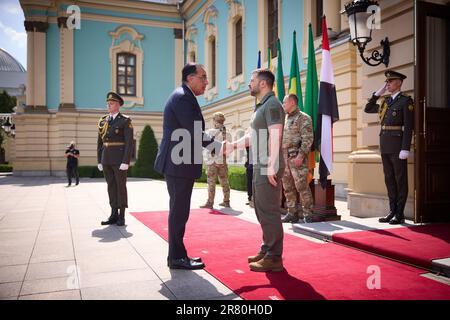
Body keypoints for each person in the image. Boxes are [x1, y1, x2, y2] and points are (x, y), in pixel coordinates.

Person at [154, 63, 223, 270]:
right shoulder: (183, 97)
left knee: (179, 210)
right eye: (203, 77)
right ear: (190, 78)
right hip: (178, 164)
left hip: (179, 163)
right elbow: (193, 131)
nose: (206, 82)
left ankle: (178, 255)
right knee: (179, 211)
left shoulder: (184, 95)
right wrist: (218, 146)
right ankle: (176, 258)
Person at [226, 69, 285, 272]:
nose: (248, 84)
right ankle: (267, 249)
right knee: (261, 209)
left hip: (268, 164)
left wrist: (272, 165)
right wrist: (233, 145)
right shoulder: (261, 106)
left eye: (251, 81)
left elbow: (276, 135)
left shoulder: (273, 105)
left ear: (263, 84)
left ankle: (274, 257)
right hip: (259, 164)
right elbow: (253, 136)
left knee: (269, 211)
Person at [364, 70, 414, 225]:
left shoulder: (406, 101)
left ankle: (399, 214)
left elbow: (409, 126)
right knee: (389, 179)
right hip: (385, 145)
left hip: (398, 146)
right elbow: (368, 108)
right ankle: (392, 211)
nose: (387, 84)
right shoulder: (386, 102)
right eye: (386, 82)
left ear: (398, 83)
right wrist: (377, 94)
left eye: (390, 82)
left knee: (400, 180)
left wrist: (405, 148)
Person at [97, 92, 134, 227]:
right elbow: (100, 142)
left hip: (119, 160)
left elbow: (129, 143)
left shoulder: (125, 120)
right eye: (108, 103)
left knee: (120, 187)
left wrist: (126, 161)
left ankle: (122, 216)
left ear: (118, 105)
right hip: (106, 159)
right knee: (111, 187)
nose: (108, 105)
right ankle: (113, 214)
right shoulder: (103, 121)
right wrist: (99, 160)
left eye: (111, 103)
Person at [281, 94, 314, 224]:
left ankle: (308, 214)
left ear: (293, 102)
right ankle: (292, 213)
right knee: (288, 187)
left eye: (285, 102)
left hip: (296, 157)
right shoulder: (284, 119)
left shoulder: (303, 118)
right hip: (285, 158)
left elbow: (307, 139)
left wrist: (301, 156)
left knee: (302, 186)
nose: (283, 105)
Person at [200, 112, 231, 209]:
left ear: (214, 121)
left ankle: (210, 202)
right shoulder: (228, 133)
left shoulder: (210, 132)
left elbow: (206, 147)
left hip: (212, 161)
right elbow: (228, 148)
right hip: (222, 161)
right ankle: (226, 201)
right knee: (225, 181)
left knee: (211, 182)